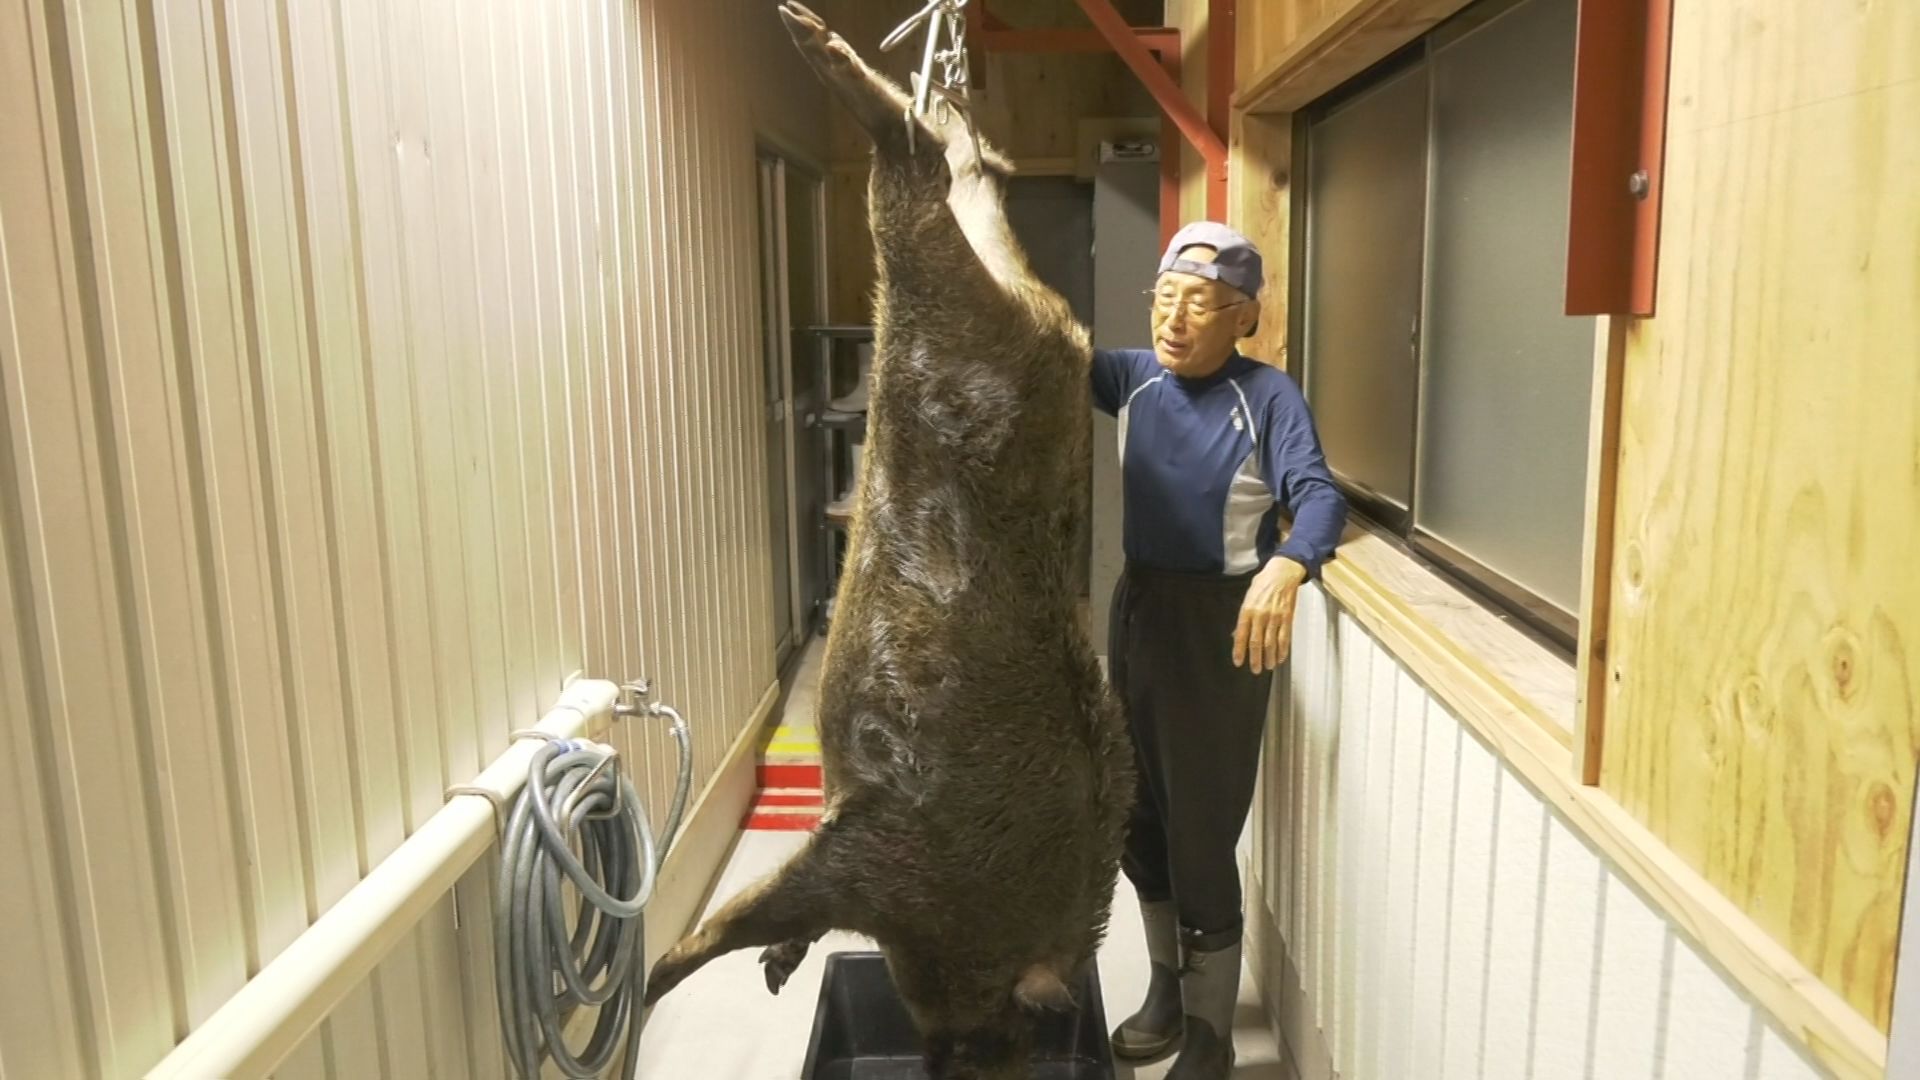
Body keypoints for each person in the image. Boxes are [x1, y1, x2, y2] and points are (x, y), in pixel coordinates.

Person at [1091, 221, 1347, 1078]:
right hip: (1139, 612)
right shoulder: (1132, 380)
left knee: (1202, 830)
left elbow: (1316, 497)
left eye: (1198, 305)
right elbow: (1032, 337)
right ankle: (1166, 986)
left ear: (1242, 317)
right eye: (1165, 299)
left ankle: (1210, 1035)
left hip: (1220, 626)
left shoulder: (1266, 395)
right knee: (1137, 814)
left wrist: (1288, 563)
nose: (1174, 319)